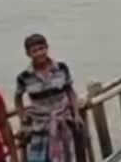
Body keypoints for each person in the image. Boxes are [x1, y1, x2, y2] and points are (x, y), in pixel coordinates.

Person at [15, 34, 82, 162]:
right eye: (35, 51)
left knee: (65, 158)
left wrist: (77, 114)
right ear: (28, 54)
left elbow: (70, 91)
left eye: (42, 48)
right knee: (38, 159)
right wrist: (22, 117)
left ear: (47, 48)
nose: (40, 53)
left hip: (62, 123)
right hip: (39, 125)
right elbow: (18, 98)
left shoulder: (61, 68)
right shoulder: (24, 77)